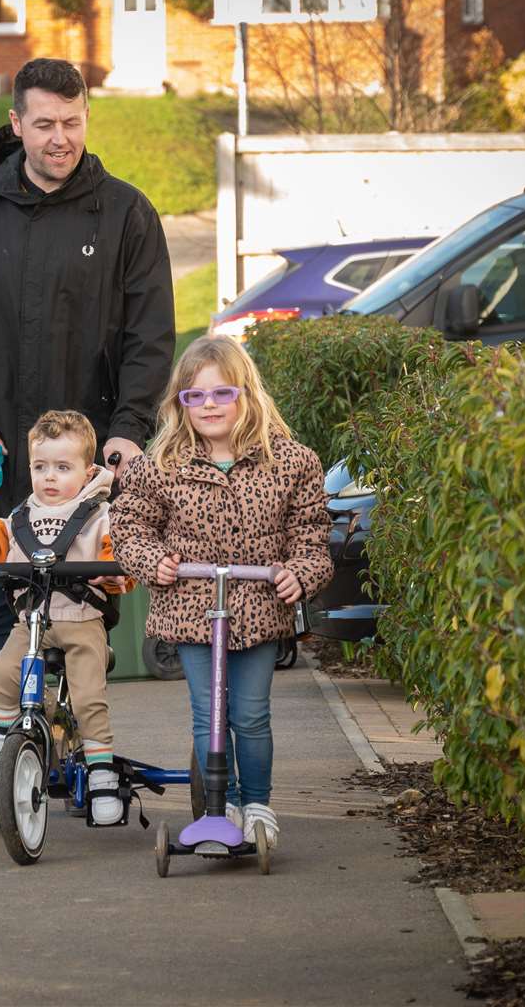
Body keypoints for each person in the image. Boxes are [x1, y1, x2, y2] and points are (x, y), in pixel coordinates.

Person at [0, 58, 174, 826]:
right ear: (15, 126)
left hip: (86, 465)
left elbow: (148, 338)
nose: (60, 138)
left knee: (82, 615)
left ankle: (72, 754)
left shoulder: (125, 214)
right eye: (44, 124)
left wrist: (127, 434)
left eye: (72, 122)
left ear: (85, 118)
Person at [109, 336, 331, 851]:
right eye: (195, 396)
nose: (208, 405)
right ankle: (221, 803)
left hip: (258, 606)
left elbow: (311, 536)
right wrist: (153, 561)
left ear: (246, 395)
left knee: (250, 713)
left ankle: (257, 804)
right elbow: (129, 526)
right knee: (208, 711)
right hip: (189, 607)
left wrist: (299, 573)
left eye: (221, 393)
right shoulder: (162, 463)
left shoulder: (290, 462)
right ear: (180, 403)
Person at [0, 411, 132, 825]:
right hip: (33, 623)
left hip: (83, 620)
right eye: (40, 467)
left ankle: (102, 773)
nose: (49, 477)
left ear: (88, 472)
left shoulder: (100, 516)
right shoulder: (21, 517)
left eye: (62, 468)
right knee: (1, 676)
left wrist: (111, 568)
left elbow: (117, 550)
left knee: (89, 696)